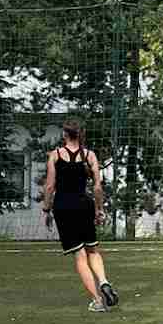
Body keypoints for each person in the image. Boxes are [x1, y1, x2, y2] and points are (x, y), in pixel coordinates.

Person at [42, 121, 118, 310]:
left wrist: (46, 208)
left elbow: (50, 186)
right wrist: (99, 209)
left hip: (64, 206)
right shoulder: (89, 155)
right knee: (92, 250)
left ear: (65, 135)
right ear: (80, 134)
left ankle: (98, 300)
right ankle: (104, 282)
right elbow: (98, 187)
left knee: (80, 255)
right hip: (84, 204)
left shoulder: (55, 155)